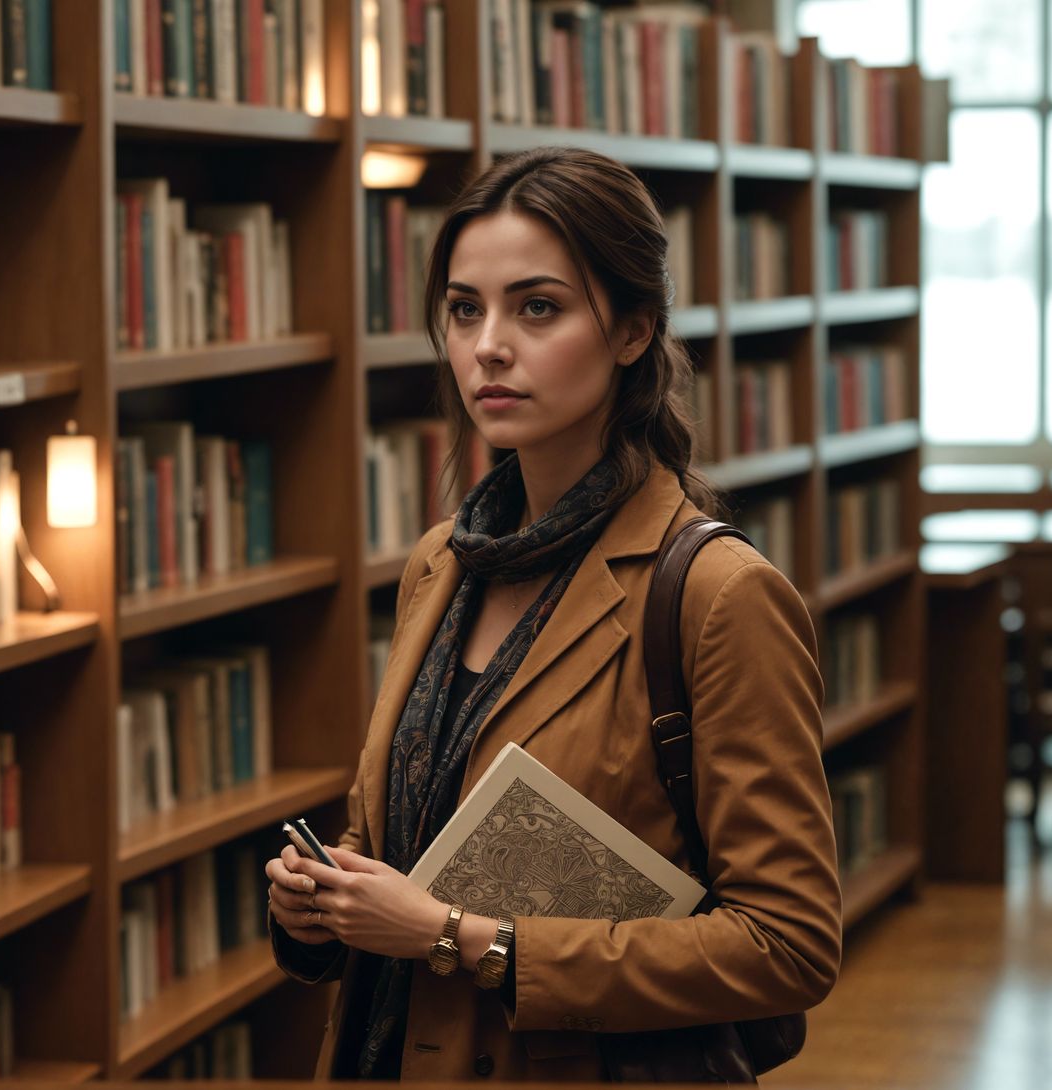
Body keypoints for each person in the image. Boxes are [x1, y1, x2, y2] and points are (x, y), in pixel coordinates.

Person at [264, 147, 841, 1082]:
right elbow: (401, 839)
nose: (489, 344)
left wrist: (461, 937)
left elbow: (788, 944)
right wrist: (324, 898)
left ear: (631, 332)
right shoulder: (441, 565)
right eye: (464, 309)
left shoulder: (716, 593)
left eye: (538, 307)